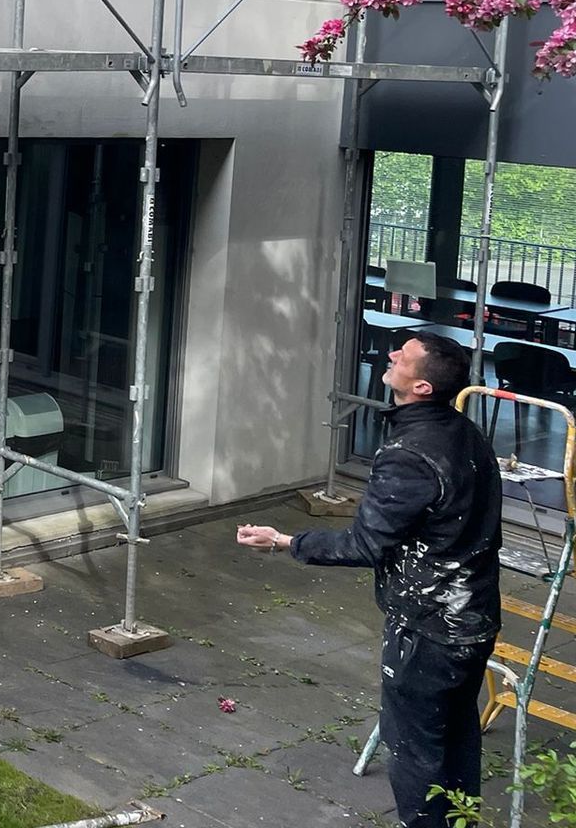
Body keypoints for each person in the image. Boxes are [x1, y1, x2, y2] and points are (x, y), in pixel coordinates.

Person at [236, 330, 500, 828]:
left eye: (406, 356)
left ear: (421, 387)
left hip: (430, 628)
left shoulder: (410, 453)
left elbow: (365, 544)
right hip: (474, 617)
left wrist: (287, 542)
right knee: (457, 738)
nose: (393, 354)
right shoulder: (465, 433)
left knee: (416, 750)